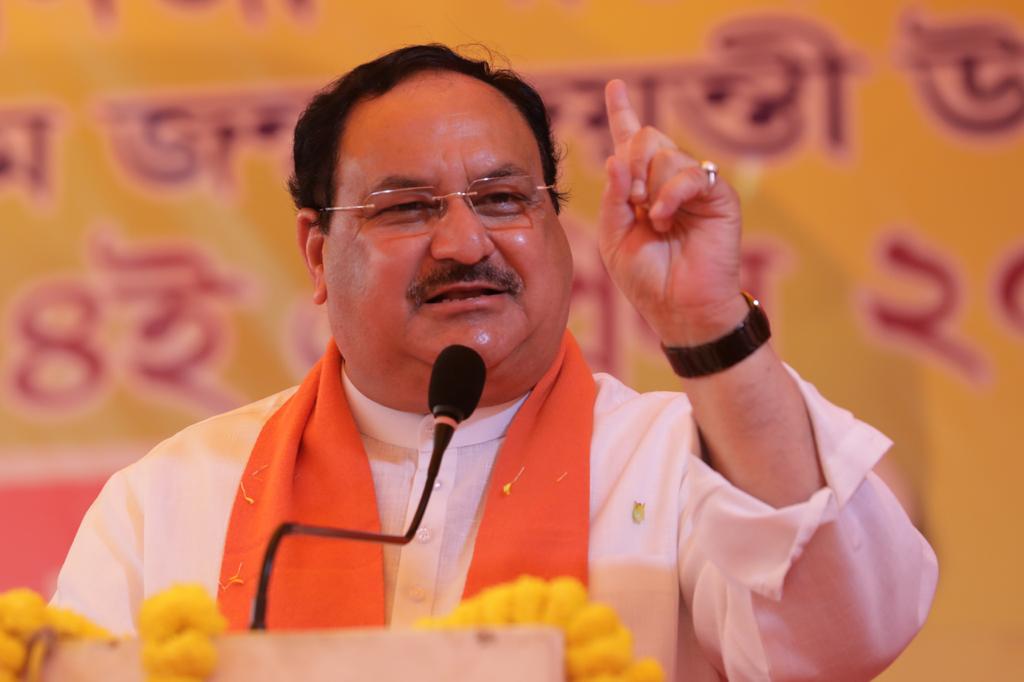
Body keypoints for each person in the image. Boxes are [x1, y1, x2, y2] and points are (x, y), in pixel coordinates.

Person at [52, 44, 937, 680]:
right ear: (319, 256)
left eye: (503, 198)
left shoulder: (676, 461)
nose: (465, 240)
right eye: (405, 208)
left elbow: (848, 637)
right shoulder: (171, 498)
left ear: (555, 227)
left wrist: (707, 320)